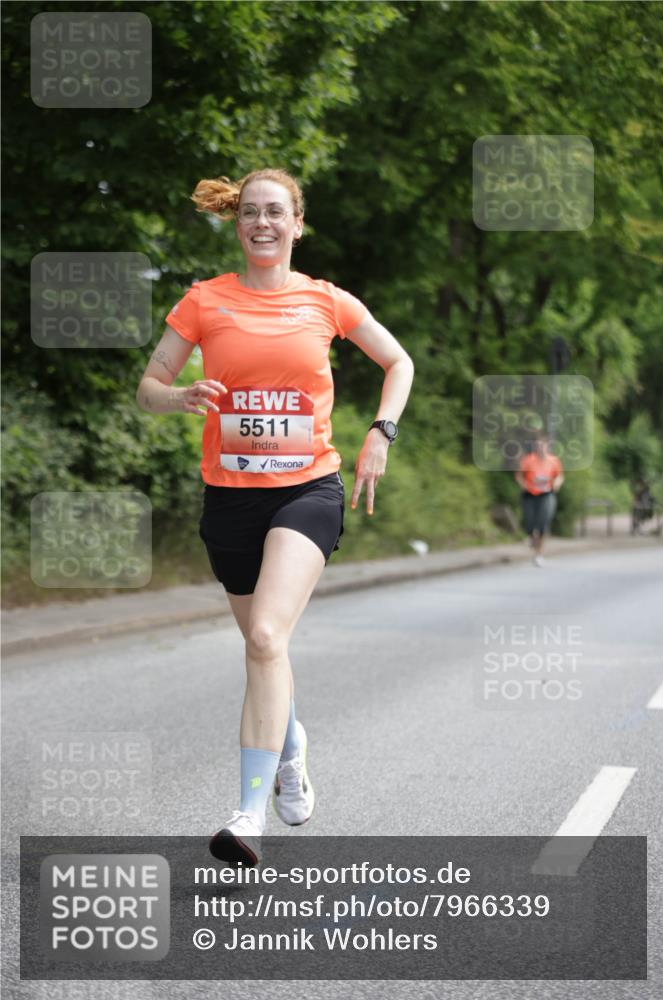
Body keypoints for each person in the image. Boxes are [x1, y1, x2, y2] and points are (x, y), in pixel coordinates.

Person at [136, 168, 414, 866]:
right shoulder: (203, 302)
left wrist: (380, 432)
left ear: (296, 224)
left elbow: (397, 361)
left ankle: (245, 814)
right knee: (268, 651)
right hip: (229, 498)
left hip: (307, 489)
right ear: (238, 225)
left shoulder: (326, 301)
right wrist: (177, 398)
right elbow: (149, 386)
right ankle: (291, 749)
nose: (262, 224)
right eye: (251, 213)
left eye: (275, 213)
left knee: (263, 637)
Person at [514, 431, 564, 566]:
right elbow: (519, 475)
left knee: (543, 524)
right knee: (530, 523)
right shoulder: (528, 460)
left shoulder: (553, 461)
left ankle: (539, 554)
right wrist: (523, 485)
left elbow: (559, 476)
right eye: (537, 445)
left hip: (546, 495)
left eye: (542, 445)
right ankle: (532, 538)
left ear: (547, 446)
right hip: (530, 495)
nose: (539, 448)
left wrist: (557, 483)